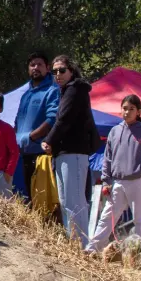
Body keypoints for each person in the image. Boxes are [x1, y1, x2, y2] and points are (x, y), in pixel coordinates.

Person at [86, 95, 141, 253]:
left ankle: (140, 252)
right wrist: (106, 180)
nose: (127, 112)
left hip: (137, 180)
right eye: (125, 108)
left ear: (138, 111)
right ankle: (93, 248)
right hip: (117, 181)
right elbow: (108, 158)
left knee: (139, 218)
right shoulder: (114, 131)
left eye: (131, 109)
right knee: (107, 216)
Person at [42, 55, 96, 246]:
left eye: (62, 70)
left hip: (74, 152)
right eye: (54, 71)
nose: (58, 74)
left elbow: (63, 119)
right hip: (64, 153)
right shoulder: (66, 91)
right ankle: (74, 244)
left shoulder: (75, 89)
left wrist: (49, 140)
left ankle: (81, 245)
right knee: (66, 203)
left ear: (71, 71)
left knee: (75, 202)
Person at [15, 52, 60, 206]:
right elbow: (18, 121)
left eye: (40, 64)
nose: (36, 68)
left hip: (41, 155)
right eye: (32, 65)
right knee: (27, 199)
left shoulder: (52, 90)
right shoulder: (26, 95)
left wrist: (32, 137)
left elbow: (52, 119)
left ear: (47, 68)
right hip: (23, 154)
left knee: (43, 199)